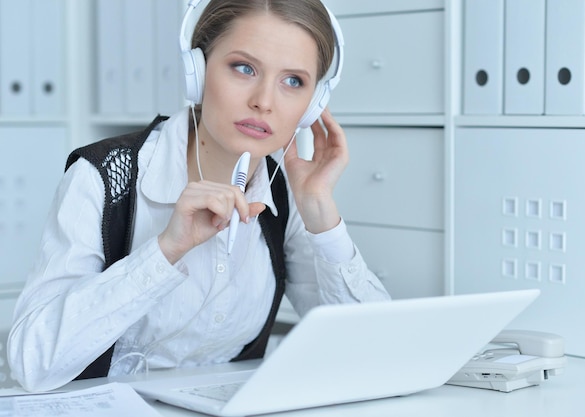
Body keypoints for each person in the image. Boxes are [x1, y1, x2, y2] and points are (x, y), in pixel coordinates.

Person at [8, 0, 390, 393]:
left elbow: (380, 355)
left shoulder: (285, 195)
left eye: (293, 81)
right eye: (244, 68)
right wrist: (164, 251)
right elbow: (31, 363)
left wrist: (322, 215)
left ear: (312, 105)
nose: (264, 100)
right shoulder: (103, 177)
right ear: (198, 70)